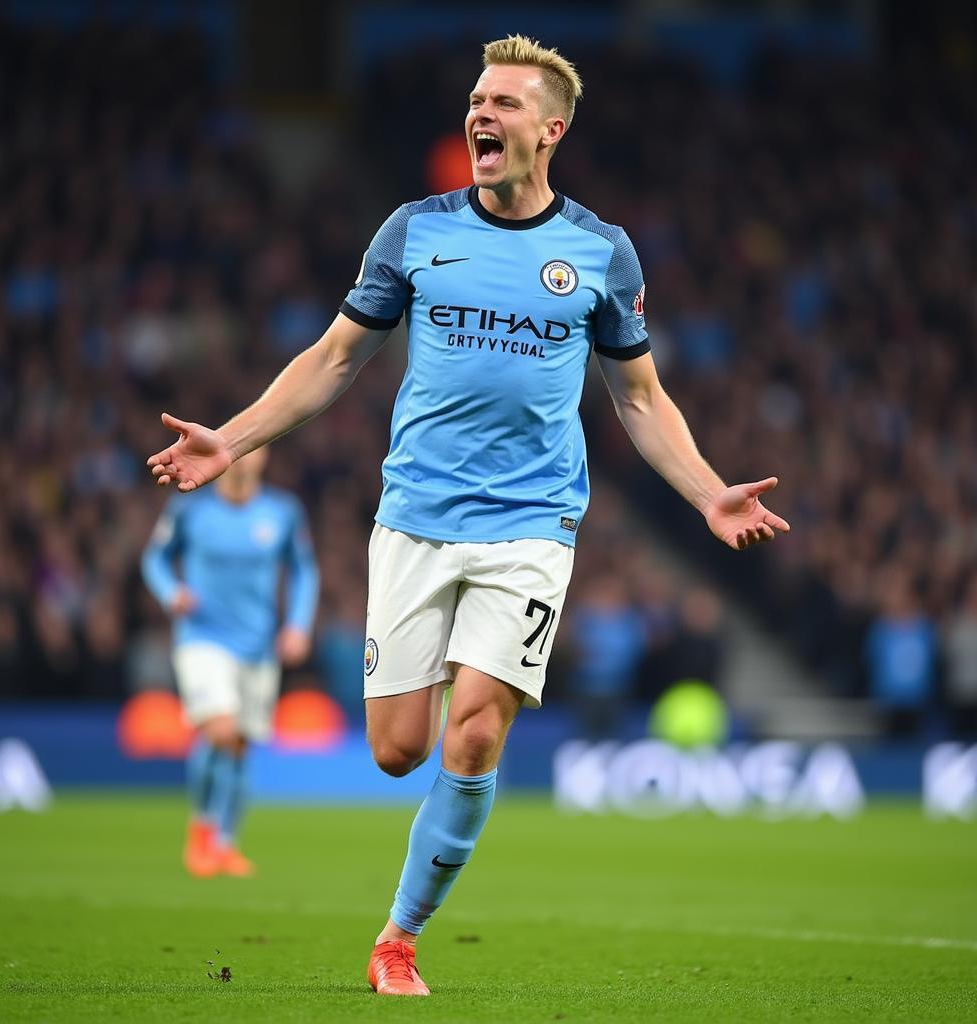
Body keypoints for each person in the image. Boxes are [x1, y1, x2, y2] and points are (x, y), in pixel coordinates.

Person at [146, 35, 790, 993]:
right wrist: (232, 439)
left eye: (504, 104)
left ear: (551, 129)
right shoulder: (414, 229)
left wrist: (707, 491)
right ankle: (429, 777)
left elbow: (640, 399)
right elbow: (333, 359)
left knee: (478, 732)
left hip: (533, 527)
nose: (481, 115)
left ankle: (397, 940)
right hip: (414, 517)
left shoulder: (600, 252)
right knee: (399, 750)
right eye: (476, 100)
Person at [141, 446, 318, 878]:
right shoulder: (189, 509)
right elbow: (155, 558)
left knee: (239, 744)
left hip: (258, 646)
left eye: (248, 451)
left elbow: (304, 570)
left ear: (263, 457)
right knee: (220, 729)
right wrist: (171, 593)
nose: (240, 460)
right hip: (202, 637)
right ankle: (201, 833)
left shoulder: (282, 512)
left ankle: (225, 844)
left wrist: (297, 624)